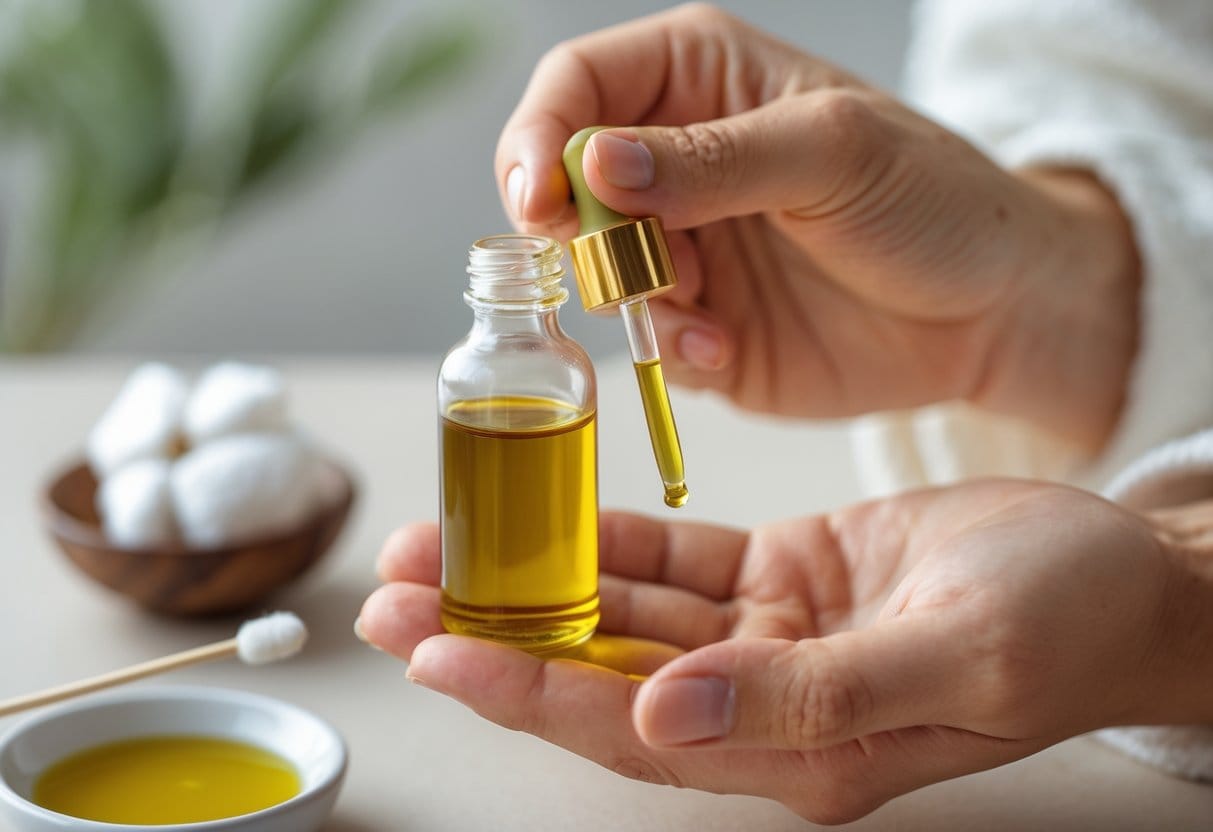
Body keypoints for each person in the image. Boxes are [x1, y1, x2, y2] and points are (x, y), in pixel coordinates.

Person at [359, 2, 1213, 823]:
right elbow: (1088, 53)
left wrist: (1182, 602)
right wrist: (1056, 289)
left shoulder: (565, 367)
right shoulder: (484, 371)